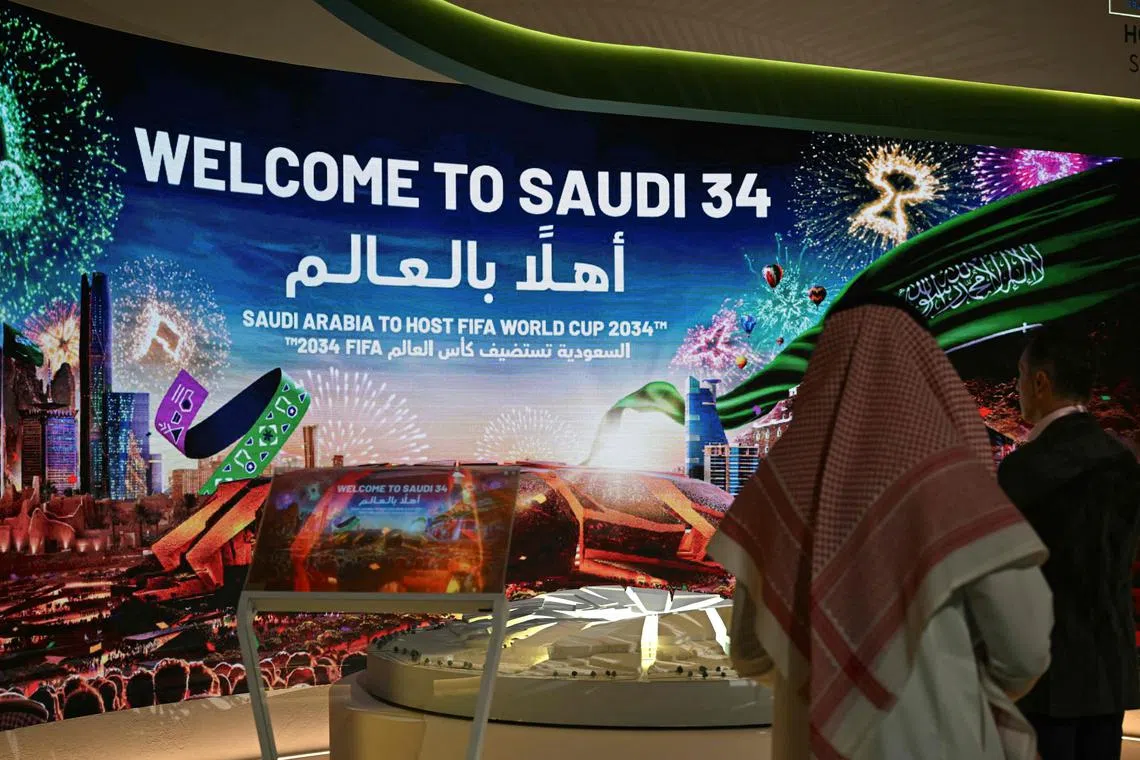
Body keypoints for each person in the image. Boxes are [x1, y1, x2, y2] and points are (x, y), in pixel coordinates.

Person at [709, 294, 1053, 760]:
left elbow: (750, 651)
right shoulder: (954, 484)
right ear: (926, 369)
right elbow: (1023, 650)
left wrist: (826, 675)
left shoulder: (778, 490)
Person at [998, 322, 1140, 760]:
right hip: (1108, 674)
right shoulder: (1123, 460)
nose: (1017, 387)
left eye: (1021, 375)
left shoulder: (1021, 471)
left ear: (1040, 382)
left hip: (1043, 682)